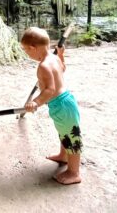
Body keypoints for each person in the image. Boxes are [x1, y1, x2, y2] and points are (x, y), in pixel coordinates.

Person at [21, 27, 82, 185]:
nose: (28, 55)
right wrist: (61, 55)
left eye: (27, 51)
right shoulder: (54, 59)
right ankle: (63, 156)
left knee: (72, 139)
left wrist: (35, 102)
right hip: (63, 103)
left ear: (33, 48)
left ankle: (74, 173)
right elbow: (62, 68)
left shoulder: (43, 66)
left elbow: (50, 90)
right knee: (64, 133)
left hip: (61, 105)